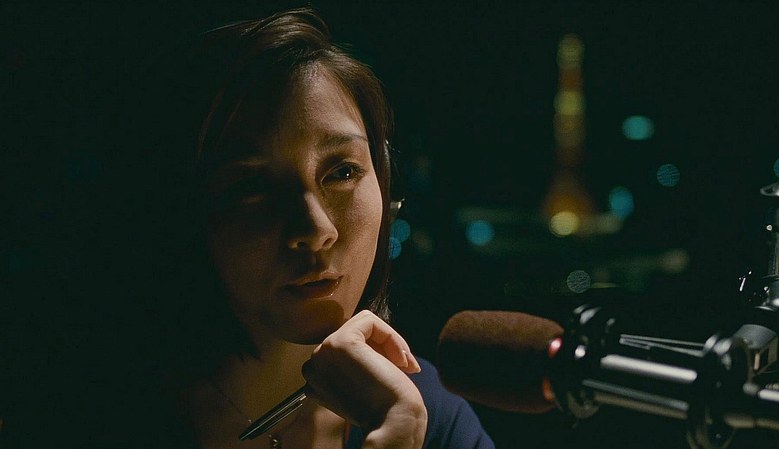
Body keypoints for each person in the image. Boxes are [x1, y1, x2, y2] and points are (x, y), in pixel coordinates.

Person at [35, 7, 493, 449]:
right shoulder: (91, 415)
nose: (316, 230)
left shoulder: (430, 415)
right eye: (252, 186)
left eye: (343, 172)